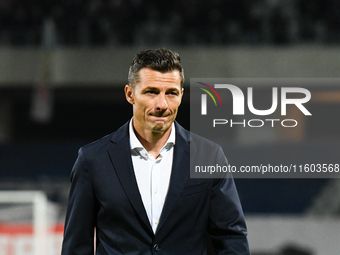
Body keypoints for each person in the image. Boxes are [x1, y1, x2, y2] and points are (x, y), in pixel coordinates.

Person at [61, 49, 250, 255]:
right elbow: (76, 246)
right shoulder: (93, 160)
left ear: (181, 95)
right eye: (151, 92)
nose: (162, 104)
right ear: (130, 94)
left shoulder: (208, 156)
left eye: (171, 93)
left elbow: (231, 238)